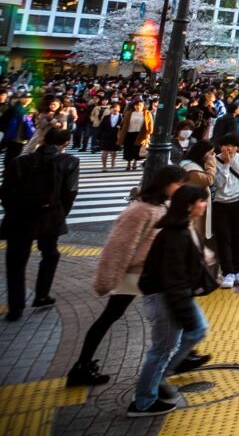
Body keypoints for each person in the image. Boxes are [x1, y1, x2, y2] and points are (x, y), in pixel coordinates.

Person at [69, 165, 187, 386]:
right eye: (178, 184)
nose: (180, 188)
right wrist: (107, 279)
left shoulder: (163, 205)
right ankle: (81, 366)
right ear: (164, 183)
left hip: (149, 273)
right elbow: (119, 247)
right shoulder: (140, 210)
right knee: (112, 316)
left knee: (172, 312)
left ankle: (183, 355)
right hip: (136, 274)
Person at [130, 185, 214, 417]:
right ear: (189, 205)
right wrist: (185, 313)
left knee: (196, 331)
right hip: (165, 297)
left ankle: (157, 380)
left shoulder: (183, 227)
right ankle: (143, 401)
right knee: (162, 349)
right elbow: (172, 278)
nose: (204, 205)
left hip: (175, 295)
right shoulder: (175, 234)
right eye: (201, 201)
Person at [2, 125, 79, 320]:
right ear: (65, 144)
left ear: (43, 140)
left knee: (16, 261)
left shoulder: (19, 161)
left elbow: (6, 191)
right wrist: (61, 213)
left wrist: (13, 211)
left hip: (19, 217)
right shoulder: (69, 161)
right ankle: (42, 295)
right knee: (50, 253)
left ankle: (15, 307)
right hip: (50, 215)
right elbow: (70, 192)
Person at [210, 134, 239, 289]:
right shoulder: (213, 161)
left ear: (238, 147)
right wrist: (225, 165)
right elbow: (217, 184)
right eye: (225, 145)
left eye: (232, 145)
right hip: (219, 204)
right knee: (223, 239)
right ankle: (228, 272)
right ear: (220, 146)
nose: (228, 148)